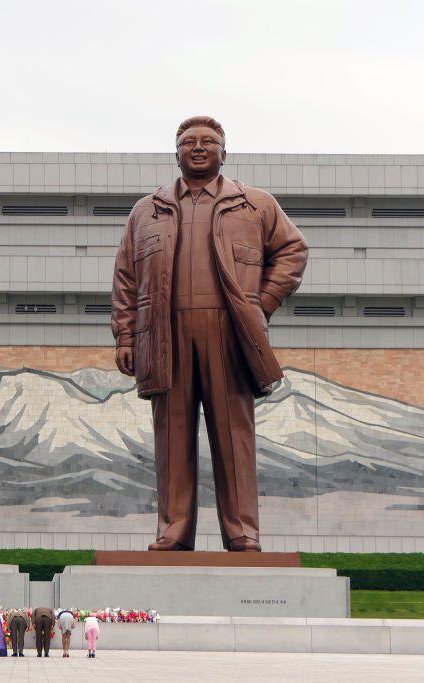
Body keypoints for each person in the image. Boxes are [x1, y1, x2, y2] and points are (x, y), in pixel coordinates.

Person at [112, 115, 308, 552]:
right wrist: (126, 337)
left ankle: (242, 532)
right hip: (165, 333)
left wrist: (263, 302)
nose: (198, 148)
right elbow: (126, 276)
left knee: (233, 435)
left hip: (229, 332)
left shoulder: (254, 203)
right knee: (171, 437)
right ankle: (173, 530)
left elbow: (293, 250)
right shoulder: (148, 209)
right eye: (188, 142)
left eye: (208, 141)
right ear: (175, 152)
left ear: (225, 151)